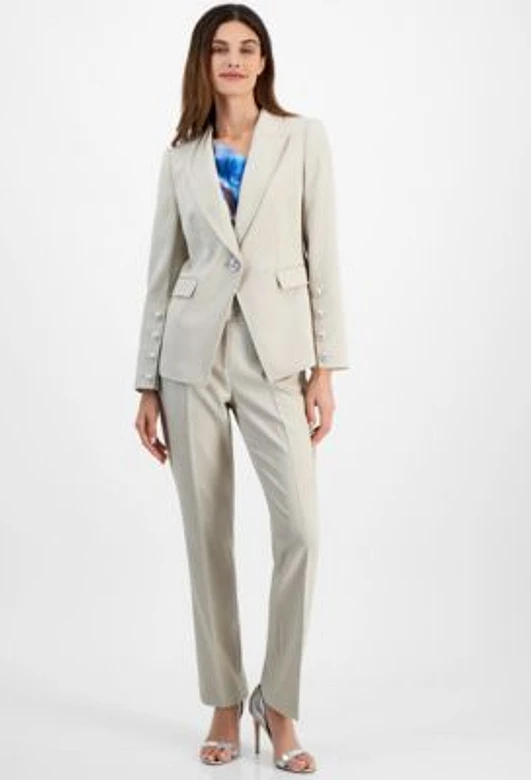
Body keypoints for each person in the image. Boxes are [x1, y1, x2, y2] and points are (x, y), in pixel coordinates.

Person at [133, 3, 349, 773]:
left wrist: (325, 368)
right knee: (207, 536)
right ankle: (225, 700)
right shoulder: (181, 155)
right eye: (220, 48)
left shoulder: (302, 138)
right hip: (191, 360)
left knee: (301, 532)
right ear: (203, 62)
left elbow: (323, 254)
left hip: (276, 354)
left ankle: (278, 704)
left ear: (264, 61)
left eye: (247, 47)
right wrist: (147, 383)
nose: (233, 58)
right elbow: (162, 271)